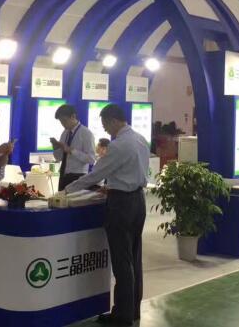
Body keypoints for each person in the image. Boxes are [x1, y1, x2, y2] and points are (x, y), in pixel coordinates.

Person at [64, 104, 149, 326]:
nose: (104, 129)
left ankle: (122, 316)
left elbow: (96, 174)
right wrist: (111, 186)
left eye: (104, 124)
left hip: (121, 205)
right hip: (138, 200)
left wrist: (67, 190)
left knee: (122, 261)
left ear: (113, 120)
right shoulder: (140, 139)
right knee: (134, 258)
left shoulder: (119, 145)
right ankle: (132, 311)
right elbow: (129, 172)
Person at [50, 104, 95, 191]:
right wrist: (56, 148)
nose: (63, 124)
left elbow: (91, 159)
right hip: (63, 174)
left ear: (73, 116)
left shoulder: (86, 133)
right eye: (61, 122)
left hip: (78, 176)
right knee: (61, 198)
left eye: (64, 120)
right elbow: (59, 158)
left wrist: (72, 151)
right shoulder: (65, 133)